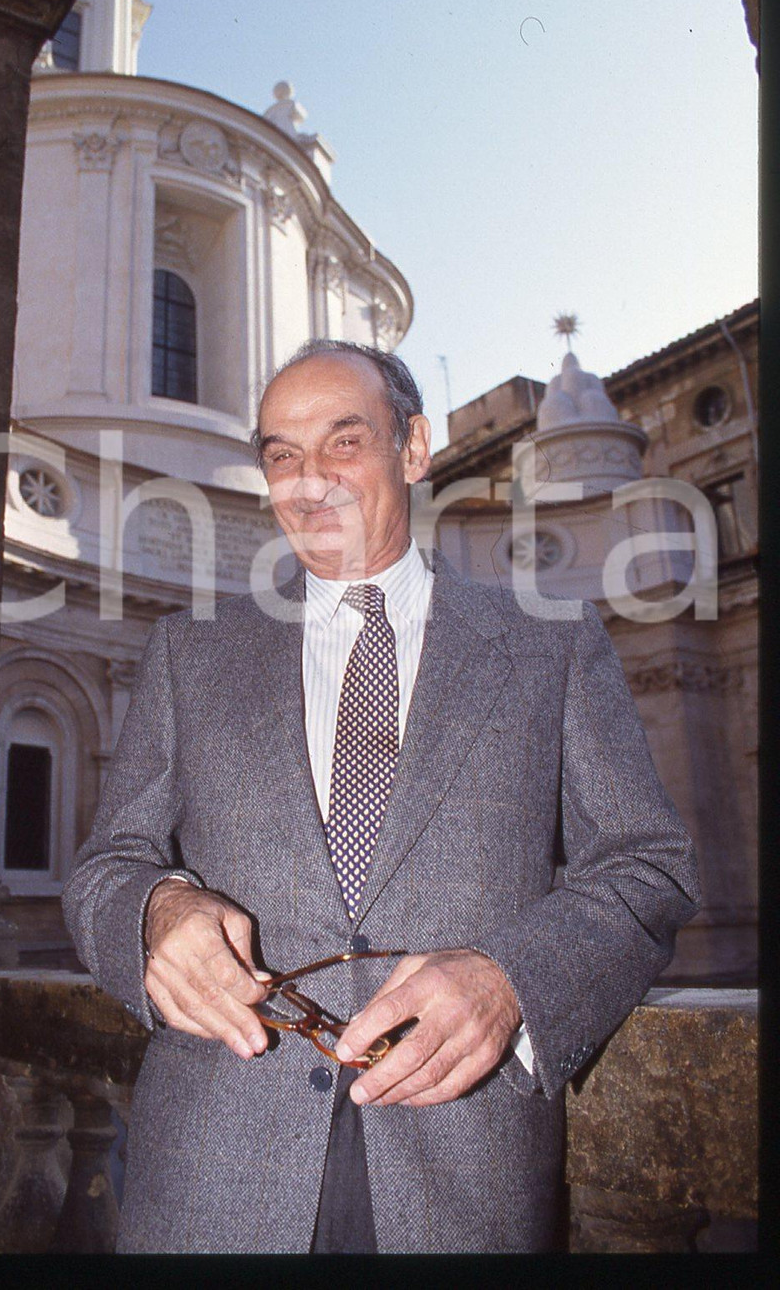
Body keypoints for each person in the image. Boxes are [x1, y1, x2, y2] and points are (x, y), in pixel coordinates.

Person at [62, 338, 699, 1254]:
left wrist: (511, 978)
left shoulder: (550, 642)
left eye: (343, 443)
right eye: (281, 455)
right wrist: (158, 908)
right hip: (211, 1177)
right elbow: (107, 868)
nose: (308, 481)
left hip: (467, 1173)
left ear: (412, 448)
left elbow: (647, 866)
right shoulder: (190, 653)